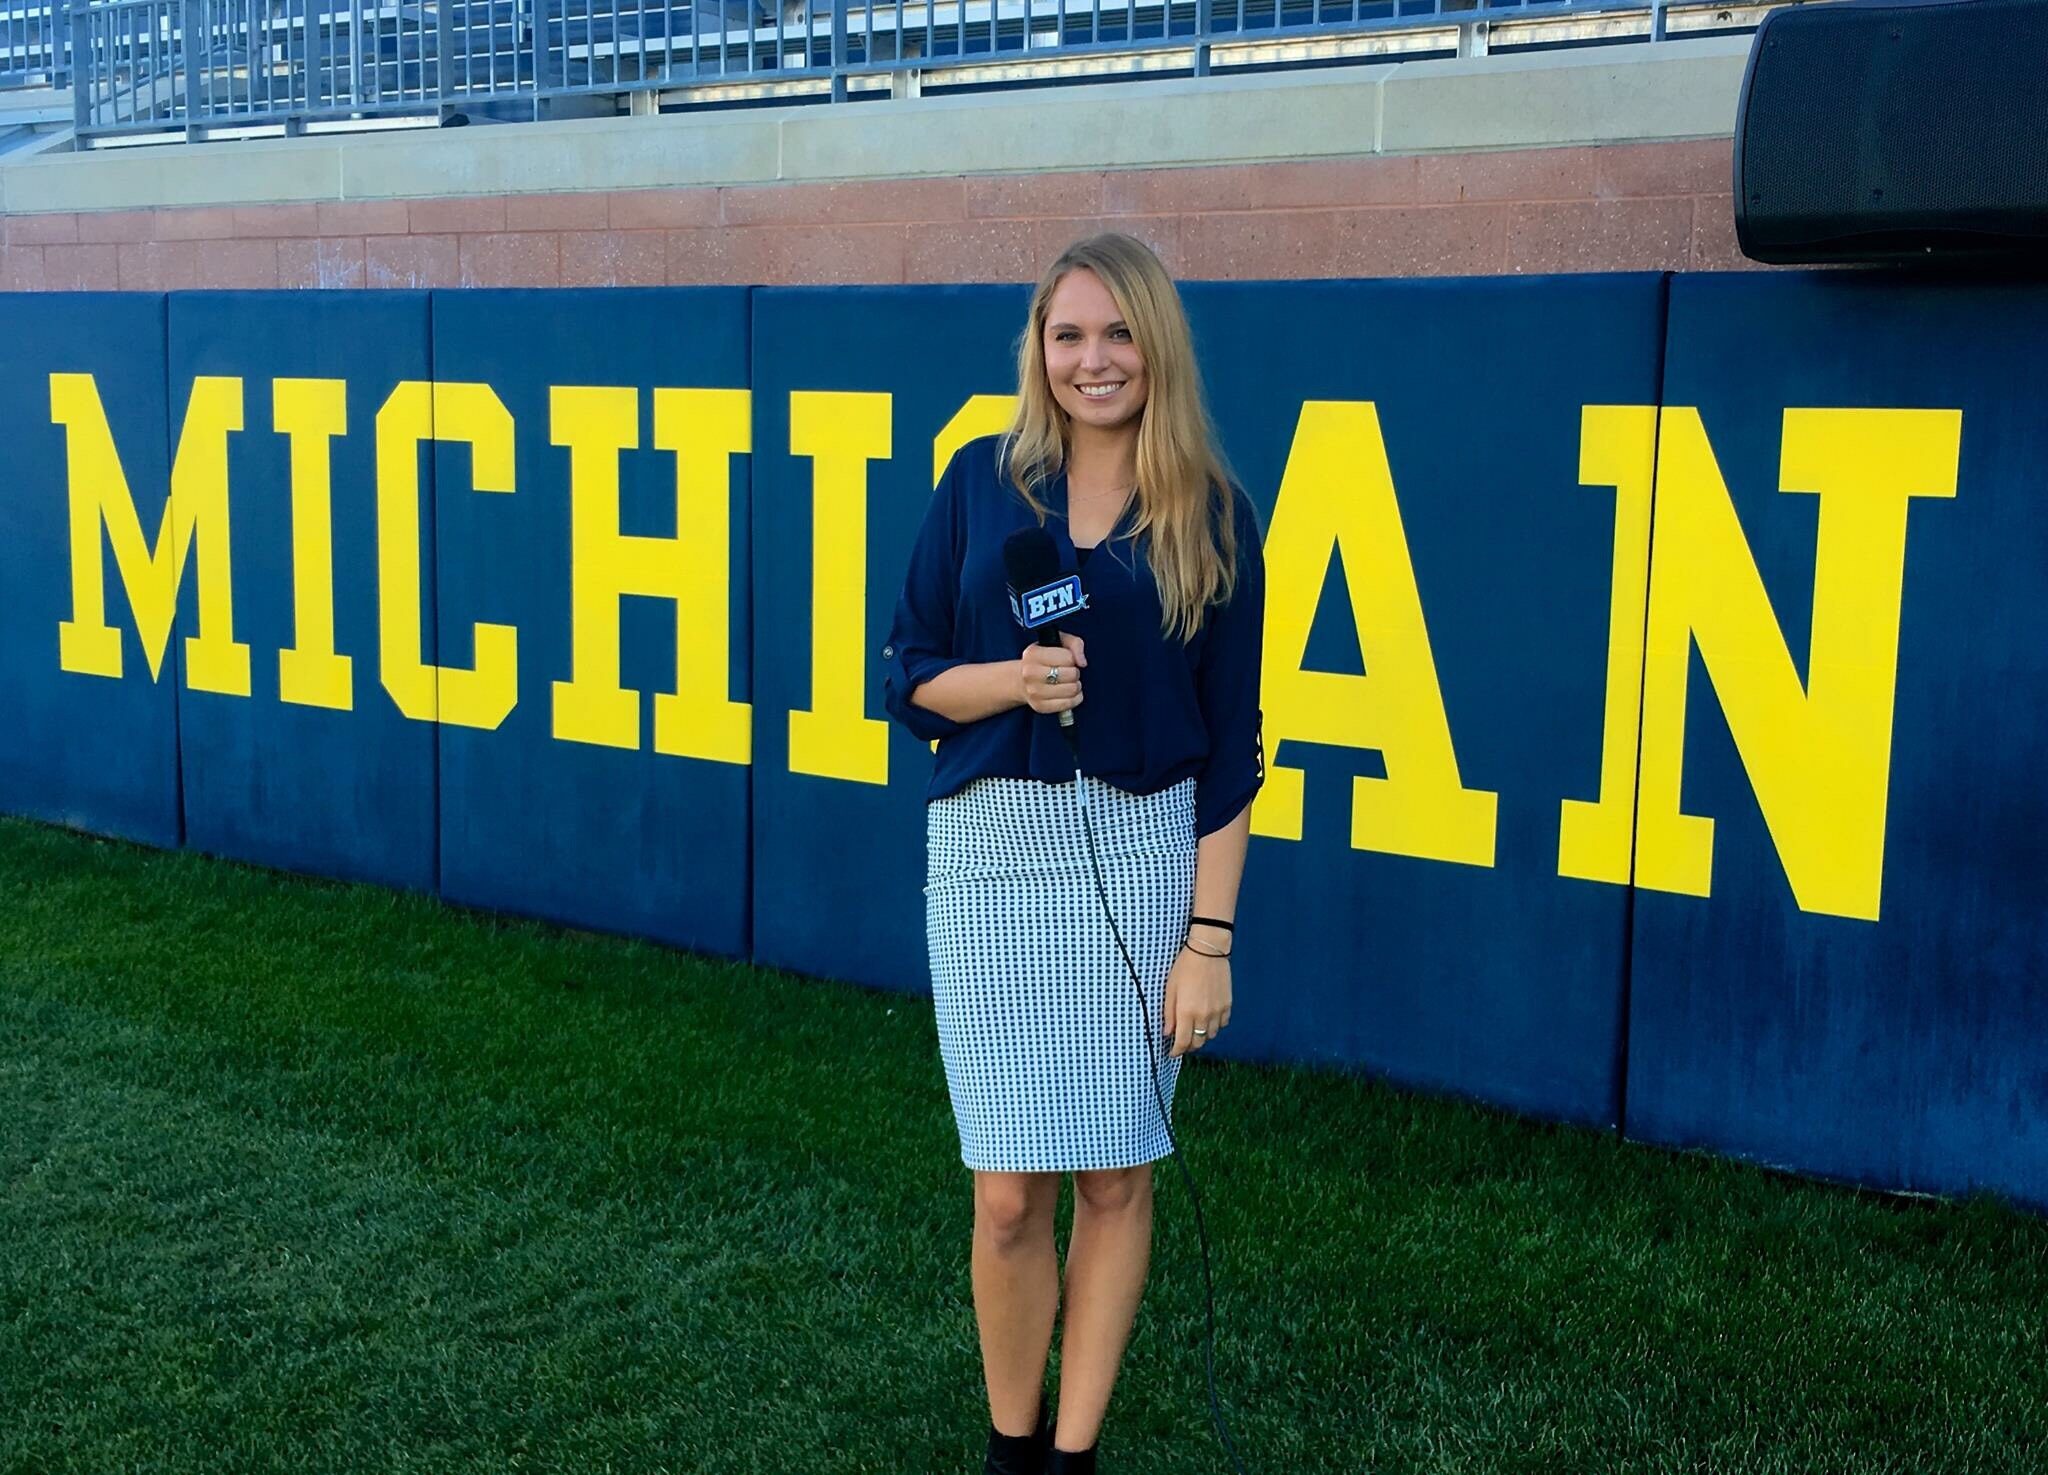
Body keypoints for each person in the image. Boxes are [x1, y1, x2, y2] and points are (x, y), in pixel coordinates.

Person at [880, 232, 1266, 1475]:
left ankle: (1073, 1451)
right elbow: (911, 678)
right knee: (1006, 1194)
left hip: (1145, 857)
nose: (1090, 361)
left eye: (1114, 334)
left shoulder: (1209, 516)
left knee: (1113, 1178)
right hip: (992, 856)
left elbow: (1231, 750)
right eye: (1066, 335)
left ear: (1155, 346)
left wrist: (1206, 941)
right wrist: (1015, 678)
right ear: (1036, 351)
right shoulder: (977, 484)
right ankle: (1009, 1442)